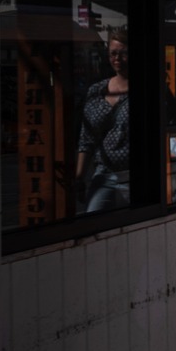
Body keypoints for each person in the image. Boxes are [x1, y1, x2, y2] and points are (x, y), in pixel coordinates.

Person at [75, 26, 131, 213]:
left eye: (123, 54)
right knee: (93, 220)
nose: (117, 59)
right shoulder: (97, 91)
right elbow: (86, 139)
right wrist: (79, 177)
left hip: (136, 177)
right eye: (113, 54)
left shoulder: (147, 87)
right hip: (104, 174)